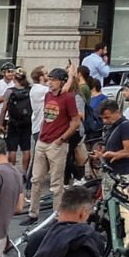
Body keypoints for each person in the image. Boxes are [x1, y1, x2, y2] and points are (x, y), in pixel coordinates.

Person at [34, 68, 81, 215]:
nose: (50, 83)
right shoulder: (48, 95)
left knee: (56, 182)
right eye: (49, 80)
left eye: (54, 80)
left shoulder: (68, 98)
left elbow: (75, 121)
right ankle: (33, 212)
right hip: (43, 141)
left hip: (56, 144)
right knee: (36, 179)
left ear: (61, 82)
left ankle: (56, 214)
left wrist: (61, 139)